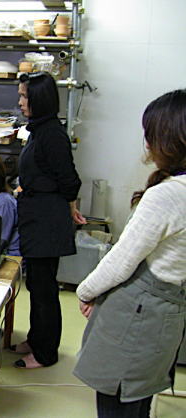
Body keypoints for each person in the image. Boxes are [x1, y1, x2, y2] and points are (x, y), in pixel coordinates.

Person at [73, 90, 186, 418]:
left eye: (150, 134)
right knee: (139, 398)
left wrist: (86, 290)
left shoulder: (167, 195)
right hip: (168, 314)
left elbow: (122, 260)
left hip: (138, 316)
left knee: (118, 402)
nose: (146, 142)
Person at [12, 72, 86, 369]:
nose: (20, 102)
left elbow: (69, 179)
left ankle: (46, 353)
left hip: (46, 220)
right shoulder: (39, 129)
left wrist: (69, 206)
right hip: (36, 215)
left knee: (44, 289)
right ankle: (36, 339)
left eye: (24, 96)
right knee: (35, 283)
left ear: (39, 99)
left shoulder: (53, 134)